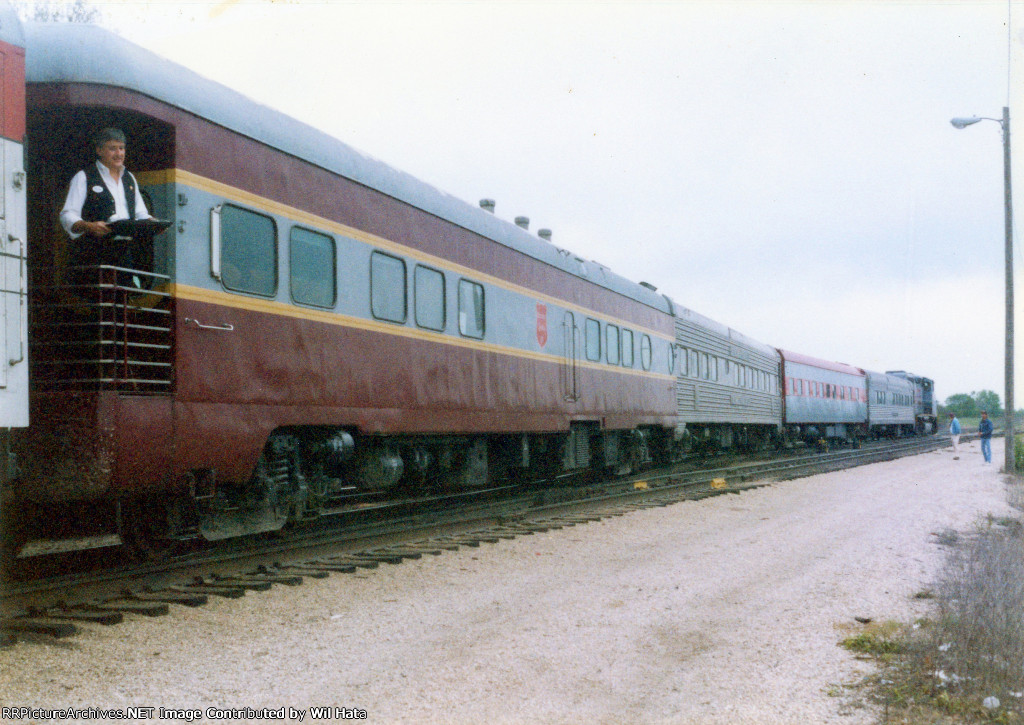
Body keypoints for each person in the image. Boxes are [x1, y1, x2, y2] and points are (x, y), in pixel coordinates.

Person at [59, 127, 152, 270]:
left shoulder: (129, 178)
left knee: (123, 291)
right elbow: (67, 215)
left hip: (125, 254)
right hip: (92, 255)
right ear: (99, 151)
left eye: (121, 148)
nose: (119, 153)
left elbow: (140, 214)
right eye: (113, 148)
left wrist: (153, 223)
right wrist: (88, 226)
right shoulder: (84, 177)